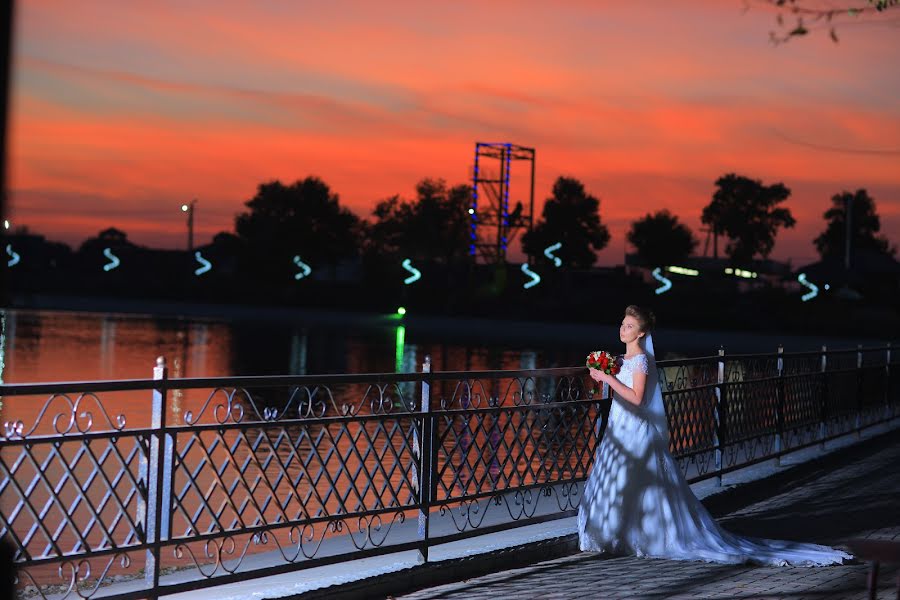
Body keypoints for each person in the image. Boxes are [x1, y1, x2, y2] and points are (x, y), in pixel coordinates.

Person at [577, 305, 851, 566]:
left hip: (636, 429)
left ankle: (644, 535)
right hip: (619, 427)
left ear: (641, 333)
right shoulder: (622, 359)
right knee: (619, 478)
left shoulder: (640, 363)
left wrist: (608, 380)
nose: (623, 329)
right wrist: (603, 372)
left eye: (629, 326)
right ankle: (616, 532)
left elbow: (637, 399)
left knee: (641, 481)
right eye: (622, 324)